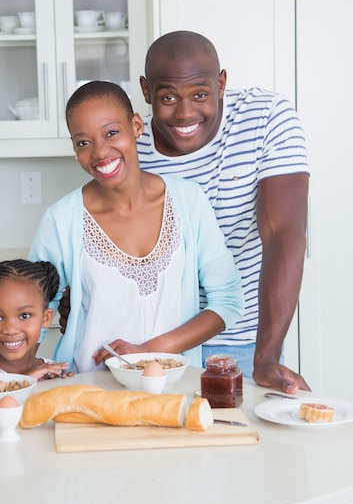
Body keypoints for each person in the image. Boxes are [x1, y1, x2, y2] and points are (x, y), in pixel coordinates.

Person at [134, 30, 310, 393]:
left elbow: (283, 234)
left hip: (241, 341)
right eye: (168, 97)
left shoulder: (265, 118)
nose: (185, 113)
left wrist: (267, 357)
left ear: (221, 83)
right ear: (146, 92)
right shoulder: (129, 146)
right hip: (153, 343)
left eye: (200, 94)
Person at [29, 80, 244, 373]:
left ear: (136, 126)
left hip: (174, 387)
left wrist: (150, 350)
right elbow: (30, 310)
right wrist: (18, 375)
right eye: (83, 142)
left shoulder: (189, 201)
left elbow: (228, 302)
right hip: (90, 389)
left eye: (112, 133)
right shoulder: (61, 220)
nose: (100, 152)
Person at [0, 259, 73, 380]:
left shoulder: (51, 372)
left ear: (46, 318)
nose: (10, 329)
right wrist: (25, 382)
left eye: (24, 316)